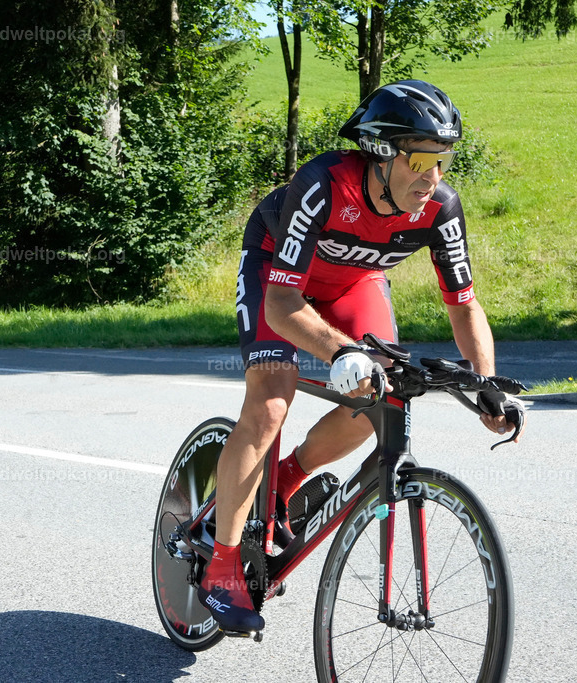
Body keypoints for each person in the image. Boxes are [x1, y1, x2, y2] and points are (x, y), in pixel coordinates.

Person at [198, 80, 525, 634]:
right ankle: (223, 566)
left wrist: (487, 384)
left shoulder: (440, 208)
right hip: (278, 277)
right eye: (420, 160)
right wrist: (341, 350)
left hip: (354, 282)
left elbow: (465, 306)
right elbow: (281, 305)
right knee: (271, 402)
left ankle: (286, 478)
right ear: (380, 152)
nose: (433, 176)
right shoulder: (324, 185)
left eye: (443, 160)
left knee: (383, 394)